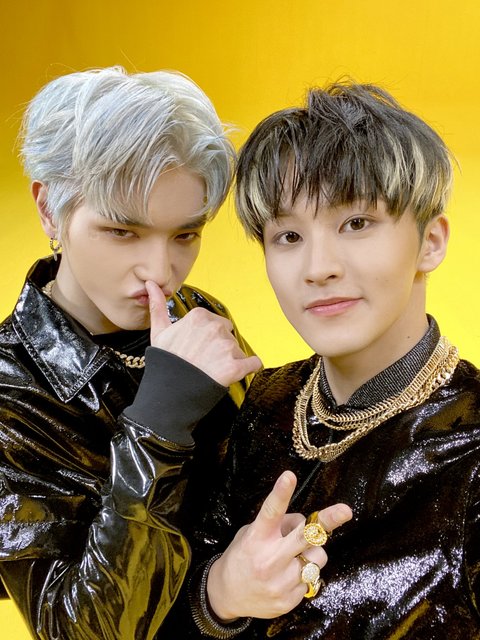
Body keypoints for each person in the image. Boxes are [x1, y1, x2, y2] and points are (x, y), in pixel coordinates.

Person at [176, 81, 480, 638]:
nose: (318, 268)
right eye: (288, 235)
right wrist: (219, 596)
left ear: (431, 242)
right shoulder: (259, 405)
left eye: (356, 223)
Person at [0, 66, 266, 639]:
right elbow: (80, 630)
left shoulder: (197, 311)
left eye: (186, 235)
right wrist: (157, 428)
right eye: (122, 232)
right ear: (49, 210)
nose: (159, 272)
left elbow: (260, 486)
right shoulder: (9, 391)